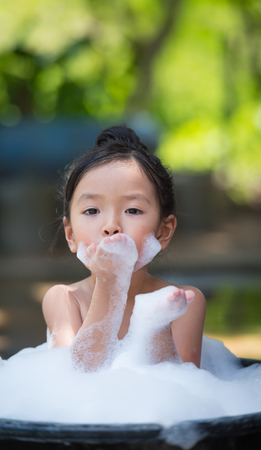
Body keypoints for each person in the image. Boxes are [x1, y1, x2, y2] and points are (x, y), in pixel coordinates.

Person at [42, 125, 206, 372]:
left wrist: (155, 326)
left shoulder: (184, 302)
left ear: (163, 231)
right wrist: (109, 285)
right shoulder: (64, 299)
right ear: (71, 235)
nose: (111, 226)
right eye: (92, 211)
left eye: (132, 210)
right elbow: (71, 384)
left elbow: (182, 389)